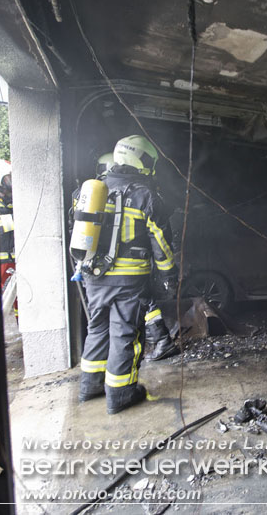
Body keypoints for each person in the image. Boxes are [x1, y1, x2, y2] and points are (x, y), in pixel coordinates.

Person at [76, 135, 178, 414]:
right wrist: (169, 275)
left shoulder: (95, 190)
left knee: (97, 329)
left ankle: (90, 387)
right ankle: (121, 394)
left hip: (93, 276)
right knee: (124, 334)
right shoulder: (145, 196)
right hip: (128, 280)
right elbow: (161, 243)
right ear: (142, 160)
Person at [0, 164, 18, 320]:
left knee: (18, 298)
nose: (11, 181)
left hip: (14, 257)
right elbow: (7, 226)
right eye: (8, 177)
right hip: (1, 260)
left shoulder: (10, 201)